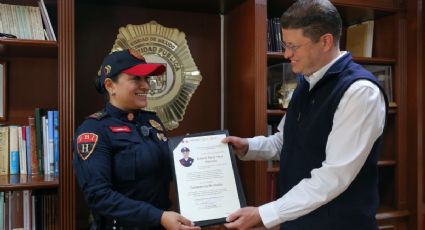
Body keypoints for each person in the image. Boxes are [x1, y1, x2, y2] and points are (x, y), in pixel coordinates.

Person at [223, 0, 388, 229]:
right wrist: (248, 147)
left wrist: (265, 213)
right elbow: (286, 140)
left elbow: (335, 175)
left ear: (326, 41)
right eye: (284, 45)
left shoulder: (359, 92)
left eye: (293, 46)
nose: (286, 54)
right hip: (297, 222)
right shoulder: (305, 82)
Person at [72, 49, 201, 230]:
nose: (146, 86)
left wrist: (198, 152)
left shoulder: (151, 121)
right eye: (136, 79)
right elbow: (98, 196)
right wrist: (159, 217)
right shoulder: (93, 130)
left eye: (147, 79)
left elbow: (165, 172)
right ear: (110, 85)